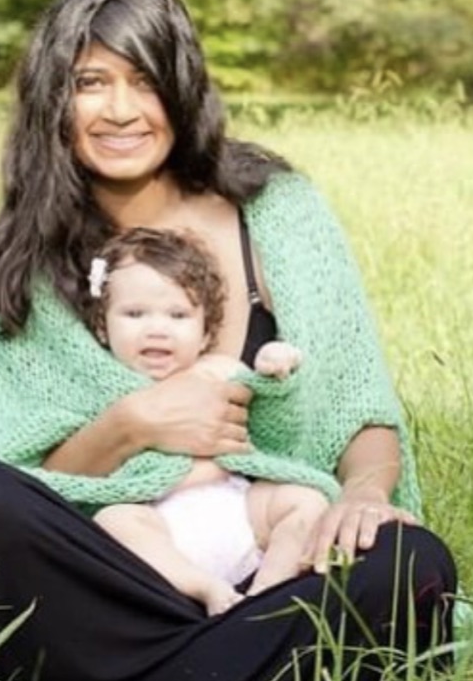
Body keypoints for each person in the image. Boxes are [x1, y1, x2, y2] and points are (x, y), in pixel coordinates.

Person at [0, 0, 457, 681]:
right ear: (52, 101)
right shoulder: (16, 260)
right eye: (90, 83)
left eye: (143, 79)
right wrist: (134, 423)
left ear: (182, 87)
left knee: (409, 565)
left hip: (274, 569)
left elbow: (361, 408)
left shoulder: (279, 213)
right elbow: (9, 468)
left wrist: (364, 494)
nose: (121, 110)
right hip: (117, 574)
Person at [85, 225, 329, 616]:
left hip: (237, 511)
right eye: (134, 313)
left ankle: (266, 593)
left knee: (305, 501)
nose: (157, 328)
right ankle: (209, 590)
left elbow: (265, 406)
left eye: (178, 315)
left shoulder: (214, 370)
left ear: (204, 332)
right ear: (102, 326)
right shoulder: (105, 386)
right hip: (157, 526)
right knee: (114, 520)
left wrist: (272, 366)